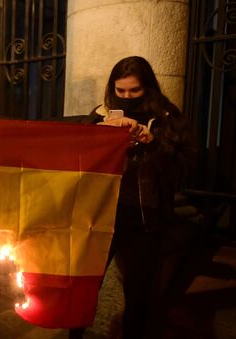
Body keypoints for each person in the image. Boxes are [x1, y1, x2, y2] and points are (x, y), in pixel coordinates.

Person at [69, 56, 197, 339]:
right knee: (85, 286)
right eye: (120, 91)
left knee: (139, 294)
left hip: (145, 220)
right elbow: (78, 160)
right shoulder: (100, 114)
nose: (126, 97)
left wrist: (153, 144)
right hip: (100, 216)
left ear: (147, 87)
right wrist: (97, 134)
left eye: (134, 91)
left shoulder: (167, 117)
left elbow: (185, 166)